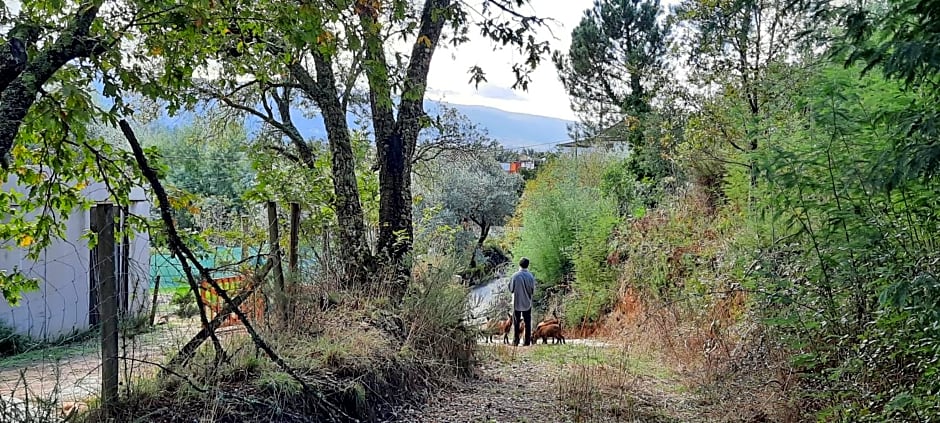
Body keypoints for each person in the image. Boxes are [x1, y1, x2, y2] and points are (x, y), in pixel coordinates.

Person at [508, 257, 535, 346]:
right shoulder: (530, 276)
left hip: (516, 302)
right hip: (527, 302)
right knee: (527, 322)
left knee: (516, 322)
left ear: (519, 264)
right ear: (528, 265)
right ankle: (527, 341)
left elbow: (511, 289)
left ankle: (516, 341)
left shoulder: (515, 276)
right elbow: (532, 291)